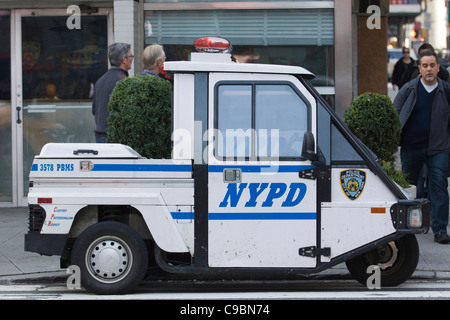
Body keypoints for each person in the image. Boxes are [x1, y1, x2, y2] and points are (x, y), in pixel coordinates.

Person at [393, 50, 450, 244]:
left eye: (432, 65)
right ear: (419, 68)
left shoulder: (446, 90)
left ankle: (440, 229)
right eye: (425, 66)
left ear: (438, 68)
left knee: (439, 186)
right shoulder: (409, 90)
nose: (429, 69)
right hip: (411, 147)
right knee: (409, 187)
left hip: (438, 148)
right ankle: (407, 226)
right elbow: (395, 115)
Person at [92, 43, 133, 143]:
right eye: (131, 56)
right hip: (114, 137)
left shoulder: (100, 80)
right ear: (124, 59)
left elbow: (94, 110)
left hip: (100, 135)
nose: (132, 59)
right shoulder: (122, 81)